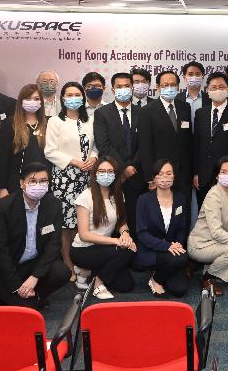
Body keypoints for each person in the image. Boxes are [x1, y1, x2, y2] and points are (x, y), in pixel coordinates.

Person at [0, 162, 69, 308]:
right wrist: (16, 286)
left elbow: (54, 244)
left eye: (43, 181)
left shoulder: (54, 204)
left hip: (34, 265)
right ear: (22, 183)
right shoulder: (4, 207)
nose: (38, 185)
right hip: (10, 266)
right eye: (33, 181)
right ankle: (25, 295)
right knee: (24, 308)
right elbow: (1, 249)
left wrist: (35, 277)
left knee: (62, 272)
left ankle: (35, 294)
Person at [44, 82, 98, 277]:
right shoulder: (55, 122)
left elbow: (95, 145)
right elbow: (50, 151)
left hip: (86, 177)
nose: (74, 98)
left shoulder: (90, 120)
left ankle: (79, 259)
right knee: (66, 225)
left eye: (77, 94)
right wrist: (74, 162)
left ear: (83, 98)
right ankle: (67, 261)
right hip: (65, 177)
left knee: (81, 222)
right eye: (69, 94)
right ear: (63, 98)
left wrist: (94, 158)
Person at [70, 157, 136, 299]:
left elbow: (121, 221)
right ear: (95, 174)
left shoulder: (117, 195)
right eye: (101, 171)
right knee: (127, 251)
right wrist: (116, 242)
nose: (106, 175)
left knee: (127, 285)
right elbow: (84, 235)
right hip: (83, 249)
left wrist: (125, 234)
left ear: (115, 175)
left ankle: (86, 272)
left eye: (110, 171)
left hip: (104, 249)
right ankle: (98, 282)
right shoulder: (85, 197)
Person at [187, 157, 228, 296]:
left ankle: (210, 267)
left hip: (218, 243)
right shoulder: (213, 195)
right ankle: (207, 278)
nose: (227, 175)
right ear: (217, 175)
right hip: (200, 244)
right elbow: (216, 232)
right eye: (223, 172)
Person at [93, 72, 145, 238]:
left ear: (132, 88)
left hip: (138, 174)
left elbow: (145, 143)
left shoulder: (142, 112)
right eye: (119, 87)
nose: (123, 89)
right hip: (114, 175)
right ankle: (118, 250)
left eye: (127, 86)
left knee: (137, 216)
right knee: (116, 216)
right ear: (113, 90)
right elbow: (103, 145)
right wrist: (122, 168)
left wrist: (132, 167)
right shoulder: (102, 113)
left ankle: (137, 253)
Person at [138, 70, 193, 220]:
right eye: (165, 85)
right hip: (160, 174)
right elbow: (145, 147)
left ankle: (181, 243)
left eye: (173, 85)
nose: (169, 88)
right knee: (161, 215)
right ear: (158, 88)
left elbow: (188, 142)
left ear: (178, 87)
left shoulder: (185, 107)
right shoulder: (147, 111)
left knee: (182, 214)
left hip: (183, 174)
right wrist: (150, 177)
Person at [193, 72, 228, 207]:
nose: (217, 90)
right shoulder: (200, 114)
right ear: (207, 90)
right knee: (205, 218)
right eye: (213, 87)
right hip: (204, 177)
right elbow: (196, 146)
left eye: (221, 87)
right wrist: (196, 173)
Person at [136, 160, 190, 297]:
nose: (164, 178)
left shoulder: (180, 199)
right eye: (160, 174)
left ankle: (160, 273)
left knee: (180, 290)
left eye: (168, 173)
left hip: (172, 251)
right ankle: (155, 280)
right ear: (154, 177)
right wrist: (167, 246)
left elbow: (182, 228)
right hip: (151, 250)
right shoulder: (144, 200)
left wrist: (177, 244)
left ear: (174, 176)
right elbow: (142, 233)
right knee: (179, 259)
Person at [0, 84, 48, 198]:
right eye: (28, 98)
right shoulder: (10, 123)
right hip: (15, 184)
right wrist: (2, 187)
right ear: (21, 101)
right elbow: (3, 157)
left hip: (42, 183)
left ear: (41, 102)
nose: (32, 101)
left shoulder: (48, 123)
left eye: (36, 99)